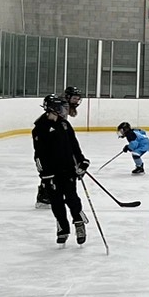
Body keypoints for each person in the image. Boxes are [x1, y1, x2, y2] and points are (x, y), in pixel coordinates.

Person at [31, 93, 88, 246]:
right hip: (51, 173)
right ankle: (62, 226)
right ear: (52, 108)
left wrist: (82, 161)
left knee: (72, 199)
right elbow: (38, 155)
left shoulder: (64, 124)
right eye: (61, 107)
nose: (64, 110)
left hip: (68, 169)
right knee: (57, 203)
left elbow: (74, 145)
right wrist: (44, 174)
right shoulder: (40, 128)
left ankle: (79, 223)